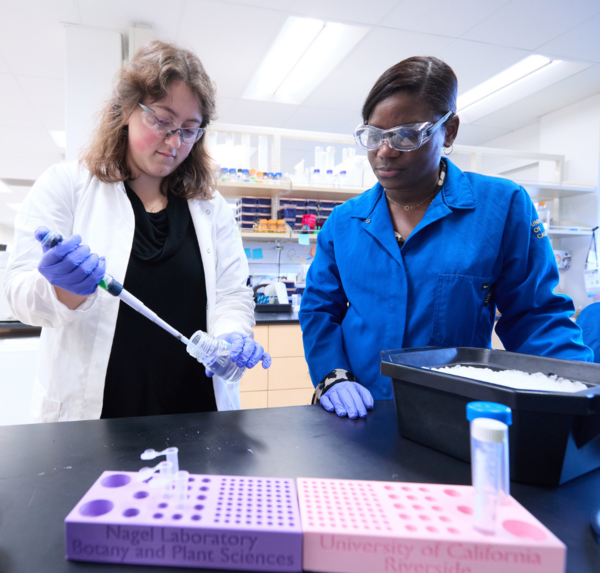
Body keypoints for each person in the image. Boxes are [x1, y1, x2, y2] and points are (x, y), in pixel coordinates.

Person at [299, 56, 593, 420]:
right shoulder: (345, 221)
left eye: (406, 135)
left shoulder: (501, 208)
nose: (385, 151)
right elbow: (318, 309)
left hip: (452, 414)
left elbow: (534, 314)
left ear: (449, 130)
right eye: (374, 136)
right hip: (358, 410)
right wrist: (333, 377)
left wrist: (580, 390)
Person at [4, 40, 270, 423]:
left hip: (196, 414)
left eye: (189, 129)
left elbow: (232, 294)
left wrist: (230, 336)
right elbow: (17, 296)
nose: (175, 142)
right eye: (161, 121)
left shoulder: (212, 209)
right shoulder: (67, 186)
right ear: (126, 110)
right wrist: (63, 288)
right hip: (99, 416)